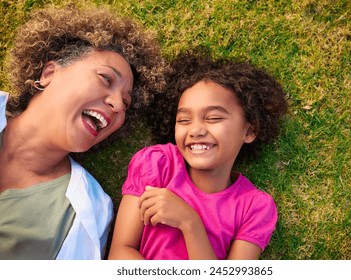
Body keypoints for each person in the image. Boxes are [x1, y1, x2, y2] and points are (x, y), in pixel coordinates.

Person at [0, 4, 168, 260]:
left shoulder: (90, 211)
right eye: (105, 78)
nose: (117, 105)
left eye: (126, 103)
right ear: (49, 73)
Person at [108, 52, 288, 260]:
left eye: (213, 117)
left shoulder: (255, 207)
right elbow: (120, 253)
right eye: (184, 120)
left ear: (249, 131)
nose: (195, 130)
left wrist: (190, 223)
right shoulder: (157, 164)